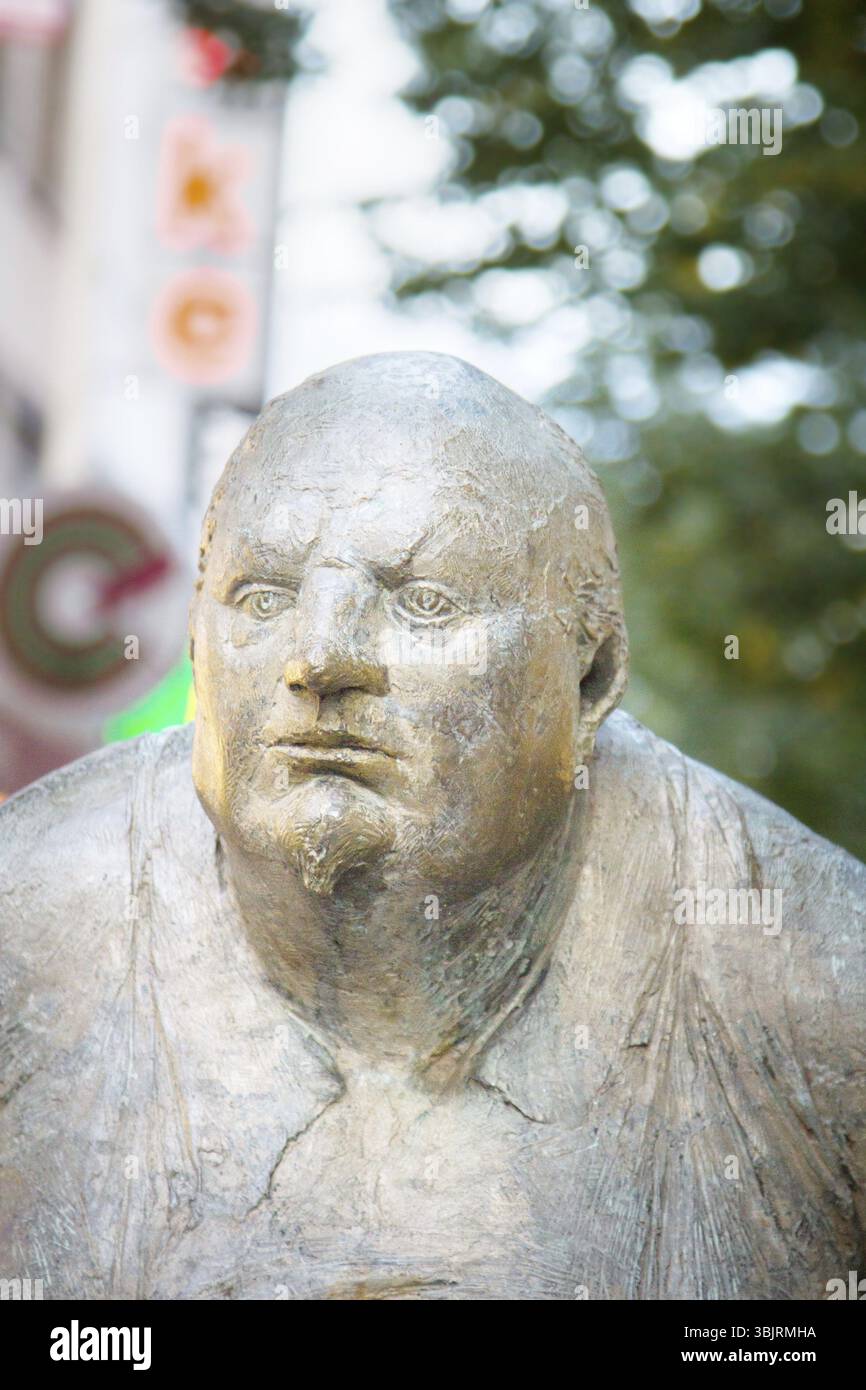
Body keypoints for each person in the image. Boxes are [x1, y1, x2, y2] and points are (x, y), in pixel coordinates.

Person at [1, 352, 863, 1300]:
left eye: (424, 603)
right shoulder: (26, 936)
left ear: (589, 682)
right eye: (264, 598)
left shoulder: (814, 993)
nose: (320, 657)